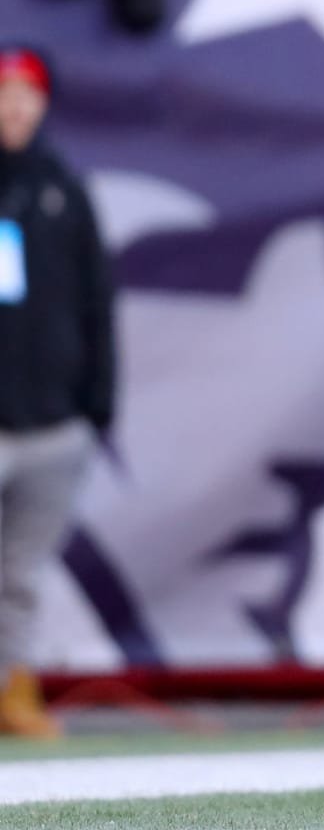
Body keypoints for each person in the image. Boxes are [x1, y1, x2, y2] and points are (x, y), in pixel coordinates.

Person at [0, 45, 114, 737]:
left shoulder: (63, 190)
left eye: (26, 95)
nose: (14, 108)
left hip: (51, 422)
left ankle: (12, 692)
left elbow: (96, 303)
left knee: (21, 571)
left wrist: (95, 404)